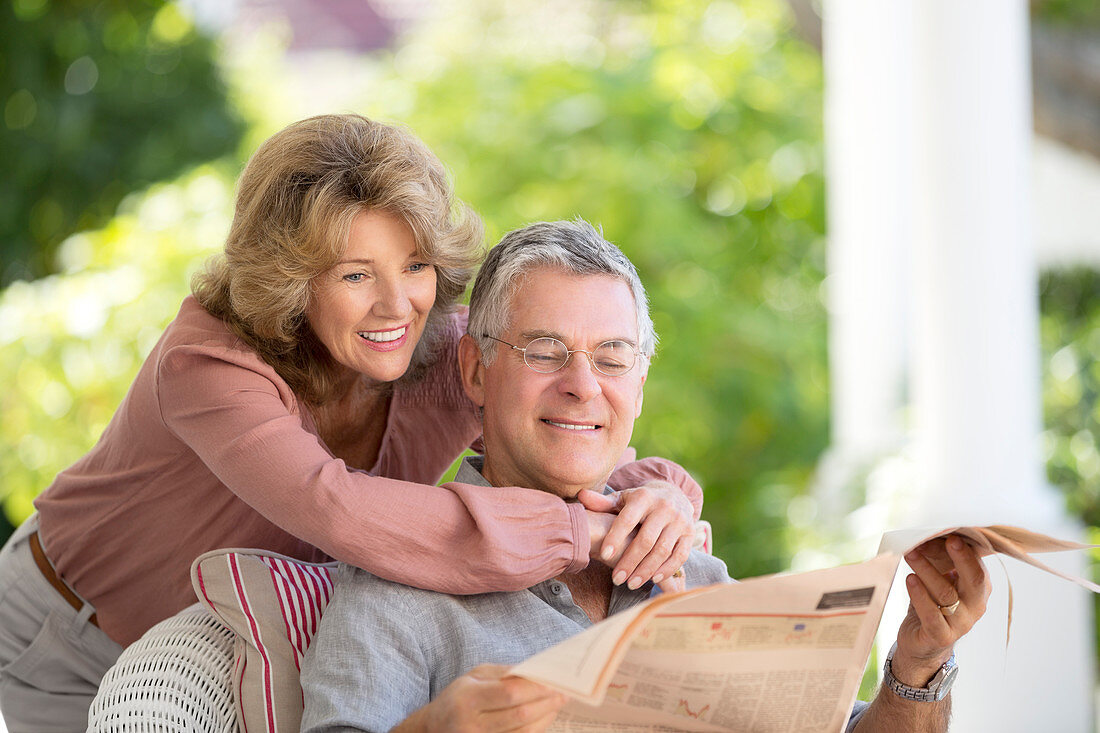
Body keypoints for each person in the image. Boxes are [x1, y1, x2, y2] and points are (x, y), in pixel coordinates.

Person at [0, 116, 704, 732]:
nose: (397, 307)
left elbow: (562, 430)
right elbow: (335, 510)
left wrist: (662, 494)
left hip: (233, 622)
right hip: (69, 626)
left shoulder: (449, 356)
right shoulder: (205, 366)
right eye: (355, 275)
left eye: (417, 264)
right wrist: (578, 534)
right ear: (291, 276)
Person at [299, 219, 992, 733]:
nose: (582, 386)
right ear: (477, 372)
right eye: (546, 352)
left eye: (611, 357)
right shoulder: (396, 585)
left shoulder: (688, 568)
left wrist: (917, 661)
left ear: (640, 380)